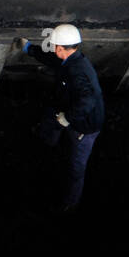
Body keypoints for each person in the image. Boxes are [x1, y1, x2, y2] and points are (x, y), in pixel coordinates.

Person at [18, 24, 104, 212]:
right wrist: (29, 48)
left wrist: (68, 118)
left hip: (84, 126)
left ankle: (70, 203)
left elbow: (88, 101)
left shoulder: (77, 71)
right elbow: (52, 60)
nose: (54, 48)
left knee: (76, 168)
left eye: (55, 45)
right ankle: (46, 144)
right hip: (69, 110)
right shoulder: (71, 59)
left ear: (59, 48)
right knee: (51, 118)